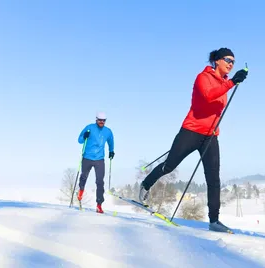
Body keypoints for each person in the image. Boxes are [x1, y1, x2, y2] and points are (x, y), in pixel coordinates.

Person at [138, 48, 248, 232]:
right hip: (191, 131)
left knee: (213, 178)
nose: (230, 64)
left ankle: (214, 220)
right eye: (228, 60)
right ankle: (145, 185)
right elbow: (207, 96)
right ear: (217, 61)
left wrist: (231, 82)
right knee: (169, 166)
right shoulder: (202, 77)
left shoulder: (224, 83)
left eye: (233, 62)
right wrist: (232, 82)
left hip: (211, 135)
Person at [77, 111, 115, 213]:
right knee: (84, 176)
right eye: (100, 120)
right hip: (87, 157)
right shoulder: (89, 127)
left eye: (104, 120)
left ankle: (99, 204)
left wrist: (111, 151)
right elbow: (80, 140)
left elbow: (111, 141)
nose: (102, 122)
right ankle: (80, 191)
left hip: (99, 159)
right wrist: (85, 136)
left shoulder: (108, 131)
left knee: (100, 182)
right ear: (96, 119)